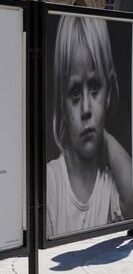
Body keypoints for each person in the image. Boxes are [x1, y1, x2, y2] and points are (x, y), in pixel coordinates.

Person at [46, 16, 133, 237]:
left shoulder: (109, 184)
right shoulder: (52, 182)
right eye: (75, 92)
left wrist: (103, 136)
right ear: (61, 105)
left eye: (94, 87)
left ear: (109, 92)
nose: (86, 108)